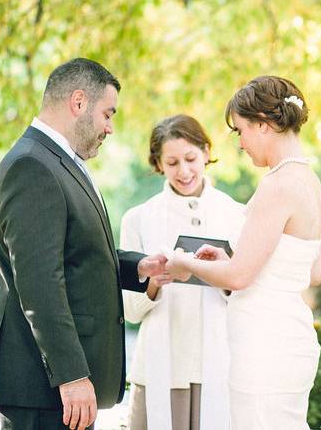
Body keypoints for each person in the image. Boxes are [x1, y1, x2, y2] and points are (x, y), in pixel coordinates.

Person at [0, 58, 169, 430]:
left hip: (52, 388)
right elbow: (39, 283)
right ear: (78, 102)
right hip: (42, 385)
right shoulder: (32, 167)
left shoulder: (57, 161)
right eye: (107, 114)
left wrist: (136, 267)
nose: (110, 128)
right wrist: (71, 375)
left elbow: (70, 254)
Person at [166, 76, 321, 429]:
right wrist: (228, 262)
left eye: (240, 131)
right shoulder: (311, 183)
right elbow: (312, 273)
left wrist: (184, 262)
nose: (240, 143)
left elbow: (240, 277)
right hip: (291, 339)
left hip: (265, 348)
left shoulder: (277, 185)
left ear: (264, 125)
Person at [121, 114, 244, 430]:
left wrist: (223, 275)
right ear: (158, 164)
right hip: (160, 369)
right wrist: (153, 283)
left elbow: (247, 294)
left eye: (191, 158)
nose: (184, 171)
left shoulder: (236, 215)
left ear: (206, 152)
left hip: (218, 368)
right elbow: (131, 312)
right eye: (172, 162)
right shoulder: (138, 219)